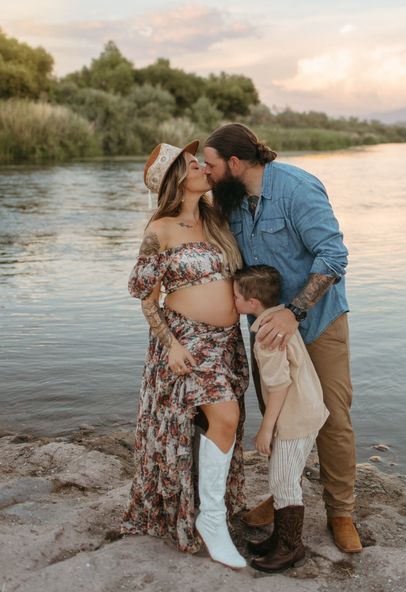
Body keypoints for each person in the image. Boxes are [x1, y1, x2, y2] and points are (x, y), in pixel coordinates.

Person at [203, 123, 362, 554]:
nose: (207, 173)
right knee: (277, 414)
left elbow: (334, 256)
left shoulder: (297, 189)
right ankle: (282, 494)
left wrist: (295, 312)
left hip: (318, 322)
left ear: (235, 164)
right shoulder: (230, 202)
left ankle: (340, 512)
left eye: (211, 166)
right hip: (267, 331)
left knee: (331, 416)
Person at [121, 140, 249, 569]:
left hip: (226, 342)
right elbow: (146, 298)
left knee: (220, 423)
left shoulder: (216, 221)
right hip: (187, 342)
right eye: (192, 164)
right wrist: (170, 344)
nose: (200, 167)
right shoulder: (159, 229)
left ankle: (206, 509)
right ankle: (211, 521)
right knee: (225, 417)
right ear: (177, 178)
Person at [233, 265, 329, 572]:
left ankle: (291, 548)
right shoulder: (278, 318)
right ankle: (280, 538)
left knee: (284, 481)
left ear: (251, 303)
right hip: (306, 408)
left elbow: (279, 385)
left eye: (236, 295)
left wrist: (266, 429)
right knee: (280, 476)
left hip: (295, 416)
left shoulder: (265, 334)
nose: (231, 299)